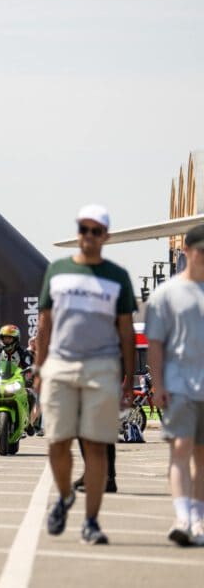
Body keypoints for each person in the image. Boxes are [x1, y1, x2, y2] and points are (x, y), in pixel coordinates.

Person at [34, 204, 136, 546]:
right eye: (84, 229)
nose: (88, 236)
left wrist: (130, 378)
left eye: (96, 231)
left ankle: (91, 521)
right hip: (60, 364)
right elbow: (45, 324)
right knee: (57, 442)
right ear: (78, 232)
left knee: (96, 445)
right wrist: (39, 368)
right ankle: (65, 496)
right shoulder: (57, 271)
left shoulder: (117, 276)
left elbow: (126, 331)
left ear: (105, 236)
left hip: (102, 366)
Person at [145, 223, 204, 546]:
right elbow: (155, 343)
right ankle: (182, 517)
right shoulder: (166, 295)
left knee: (202, 457)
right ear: (187, 252)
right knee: (180, 448)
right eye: (200, 252)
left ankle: (198, 518)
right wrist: (158, 385)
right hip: (179, 384)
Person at [0, 324, 42, 437]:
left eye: (9, 338)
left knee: (30, 396)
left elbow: (29, 366)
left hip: (17, 382)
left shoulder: (23, 352)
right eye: (4, 338)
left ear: (15, 339)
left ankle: (28, 422)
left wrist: (30, 376)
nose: (6, 341)